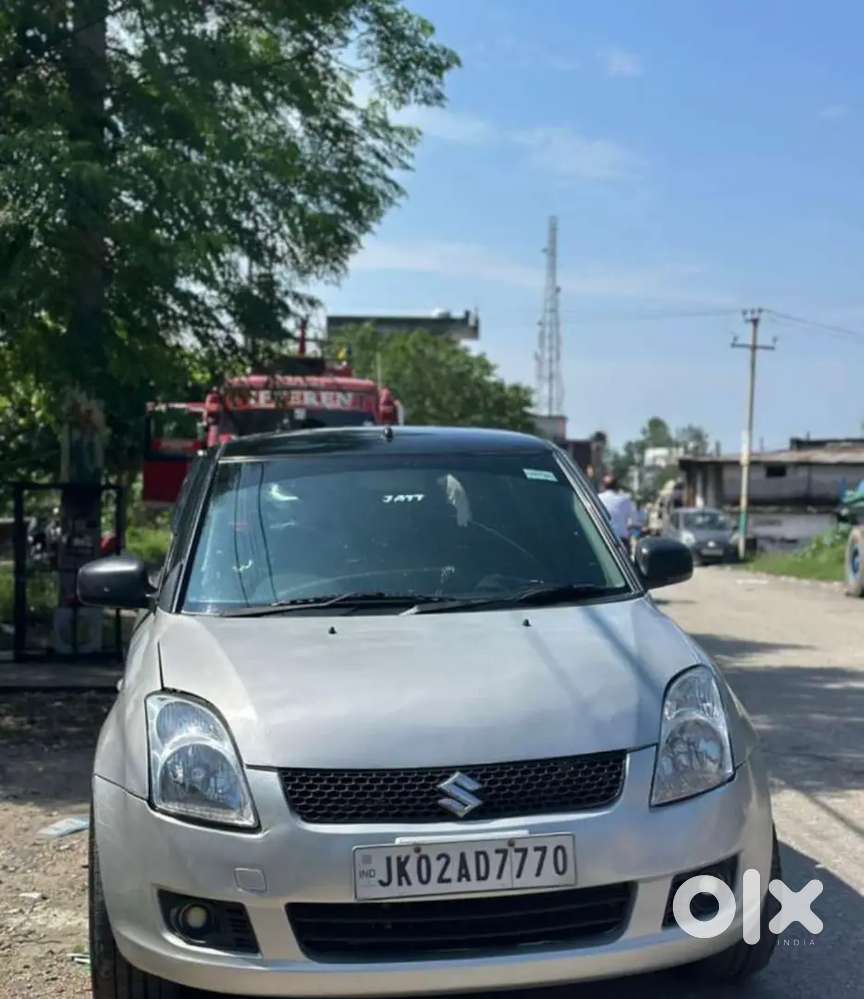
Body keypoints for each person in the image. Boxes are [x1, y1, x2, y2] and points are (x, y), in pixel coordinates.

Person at [598, 474, 636, 548]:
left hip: (603, 538)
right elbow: (632, 521)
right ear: (617, 486)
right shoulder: (625, 499)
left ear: (603, 486)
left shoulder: (598, 498)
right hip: (621, 540)